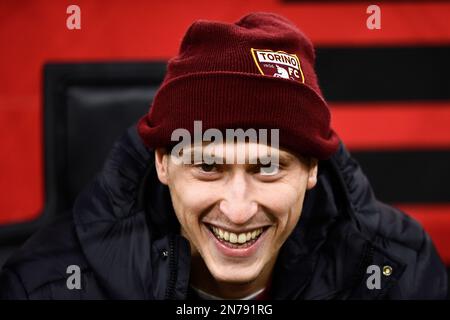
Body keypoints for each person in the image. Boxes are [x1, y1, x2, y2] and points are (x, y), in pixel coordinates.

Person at [0, 12, 447, 300]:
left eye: (268, 167)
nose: (237, 210)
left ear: (313, 169)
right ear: (162, 164)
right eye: (207, 166)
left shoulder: (398, 273)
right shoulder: (46, 286)